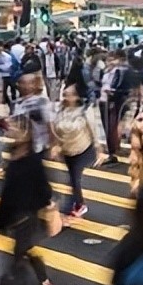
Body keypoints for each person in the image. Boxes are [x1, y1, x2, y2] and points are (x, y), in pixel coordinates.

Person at [0, 75, 56, 285]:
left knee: (15, 260)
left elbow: (43, 189)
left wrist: (44, 207)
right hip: (18, 216)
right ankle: (45, 284)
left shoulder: (30, 161)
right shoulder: (14, 158)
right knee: (27, 253)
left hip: (26, 217)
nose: (10, 132)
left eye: (15, 130)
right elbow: (7, 192)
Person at [51, 84, 105, 221]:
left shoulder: (85, 111)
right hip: (67, 150)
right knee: (72, 177)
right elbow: (55, 128)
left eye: (69, 94)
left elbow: (94, 130)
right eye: (64, 94)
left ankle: (79, 205)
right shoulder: (60, 110)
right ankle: (75, 203)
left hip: (83, 149)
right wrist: (56, 145)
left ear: (77, 97)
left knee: (74, 178)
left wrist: (99, 149)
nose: (65, 96)